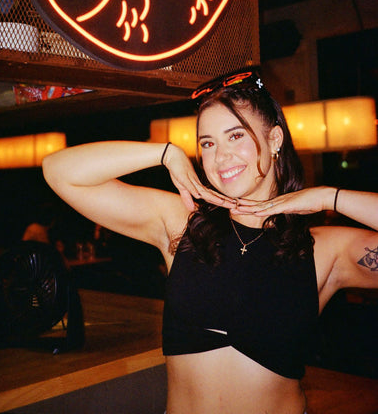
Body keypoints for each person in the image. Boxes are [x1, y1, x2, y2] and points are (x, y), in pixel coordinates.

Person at [42, 69, 378, 414]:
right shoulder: (182, 226)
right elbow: (59, 171)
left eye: (236, 136)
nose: (220, 157)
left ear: (275, 139)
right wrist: (165, 153)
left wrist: (328, 197)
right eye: (208, 143)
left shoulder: (324, 250)